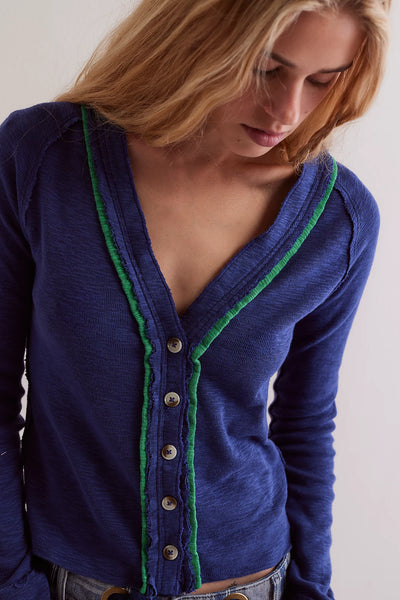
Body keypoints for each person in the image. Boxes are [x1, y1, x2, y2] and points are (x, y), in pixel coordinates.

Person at [0, 0, 391, 599]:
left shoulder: (339, 220)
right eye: (265, 69)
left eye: (322, 80)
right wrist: (11, 582)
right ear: (198, 38)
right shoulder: (44, 159)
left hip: (256, 581)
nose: (288, 111)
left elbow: (306, 420)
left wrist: (312, 586)